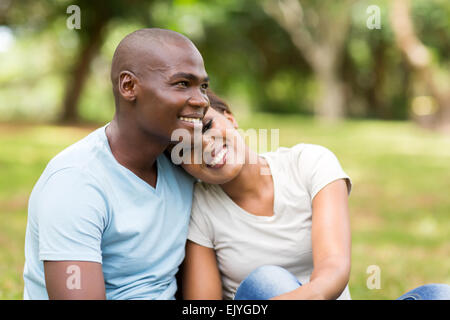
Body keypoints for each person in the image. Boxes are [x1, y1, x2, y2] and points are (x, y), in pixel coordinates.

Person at [178, 90, 450, 300]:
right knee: (267, 281)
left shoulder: (309, 162)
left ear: (230, 118)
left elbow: (333, 269)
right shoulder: (200, 208)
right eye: (187, 147)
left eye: (208, 125)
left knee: (440, 295)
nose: (205, 145)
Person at [23, 28, 210, 300]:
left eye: (203, 86)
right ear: (129, 86)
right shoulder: (76, 182)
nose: (201, 100)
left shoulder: (184, 166)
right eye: (182, 83)